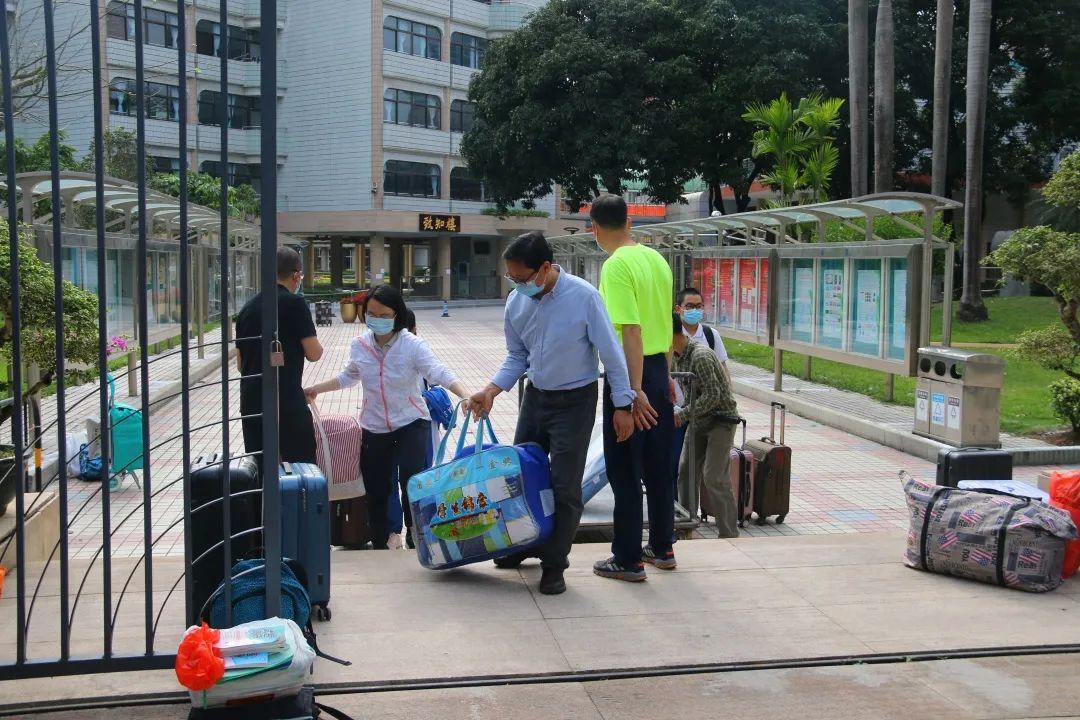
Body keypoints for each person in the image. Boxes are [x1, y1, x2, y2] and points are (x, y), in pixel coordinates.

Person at [468, 232, 635, 595]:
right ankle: (521, 544)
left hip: (575, 401)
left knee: (564, 486)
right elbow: (517, 357)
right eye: (511, 278)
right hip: (536, 397)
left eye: (522, 278)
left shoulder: (585, 298)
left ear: (545, 268)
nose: (517, 285)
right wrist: (491, 390)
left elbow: (612, 355)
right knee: (519, 477)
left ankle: (554, 563)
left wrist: (624, 405)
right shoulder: (516, 303)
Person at [304, 285, 471, 550]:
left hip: (411, 422)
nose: (377, 319)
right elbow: (349, 376)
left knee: (412, 481)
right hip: (374, 426)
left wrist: (464, 395)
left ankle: (417, 538)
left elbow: (438, 371)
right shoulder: (359, 345)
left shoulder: (412, 345)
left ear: (397, 314)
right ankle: (380, 541)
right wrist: (316, 389)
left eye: (384, 314)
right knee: (377, 488)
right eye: (371, 313)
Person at [589, 195, 676, 582]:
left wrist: (629, 393)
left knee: (624, 469)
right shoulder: (656, 259)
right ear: (629, 222)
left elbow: (631, 331)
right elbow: (666, 327)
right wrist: (667, 378)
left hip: (631, 375)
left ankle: (627, 558)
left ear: (594, 227)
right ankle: (662, 547)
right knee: (658, 468)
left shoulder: (615, 266)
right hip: (658, 371)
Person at [236, 246, 324, 468]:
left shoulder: (248, 308)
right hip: (286, 402)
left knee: (261, 469)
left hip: (252, 403)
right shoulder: (294, 304)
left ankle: (263, 504)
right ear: (296, 275)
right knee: (300, 469)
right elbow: (314, 353)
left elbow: (240, 364)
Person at [670, 312, 741, 537]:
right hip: (699, 419)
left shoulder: (699, 356)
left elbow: (714, 396)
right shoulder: (676, 356)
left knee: (714, 476)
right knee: (685, 471)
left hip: (721, 420)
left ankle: (729, 534)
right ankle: (686, 528)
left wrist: (682, 415)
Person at [671, 286, 731, 482]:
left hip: (706, 413)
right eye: (689, 306)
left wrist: (727, 397)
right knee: (678, 466)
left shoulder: (710, 335)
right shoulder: (671, 336)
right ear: (678, 308)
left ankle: (696, 509)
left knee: (706, 469)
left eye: (698, 306)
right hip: (679, 412)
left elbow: (723, 370)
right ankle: (679, 506)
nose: (694, 310)